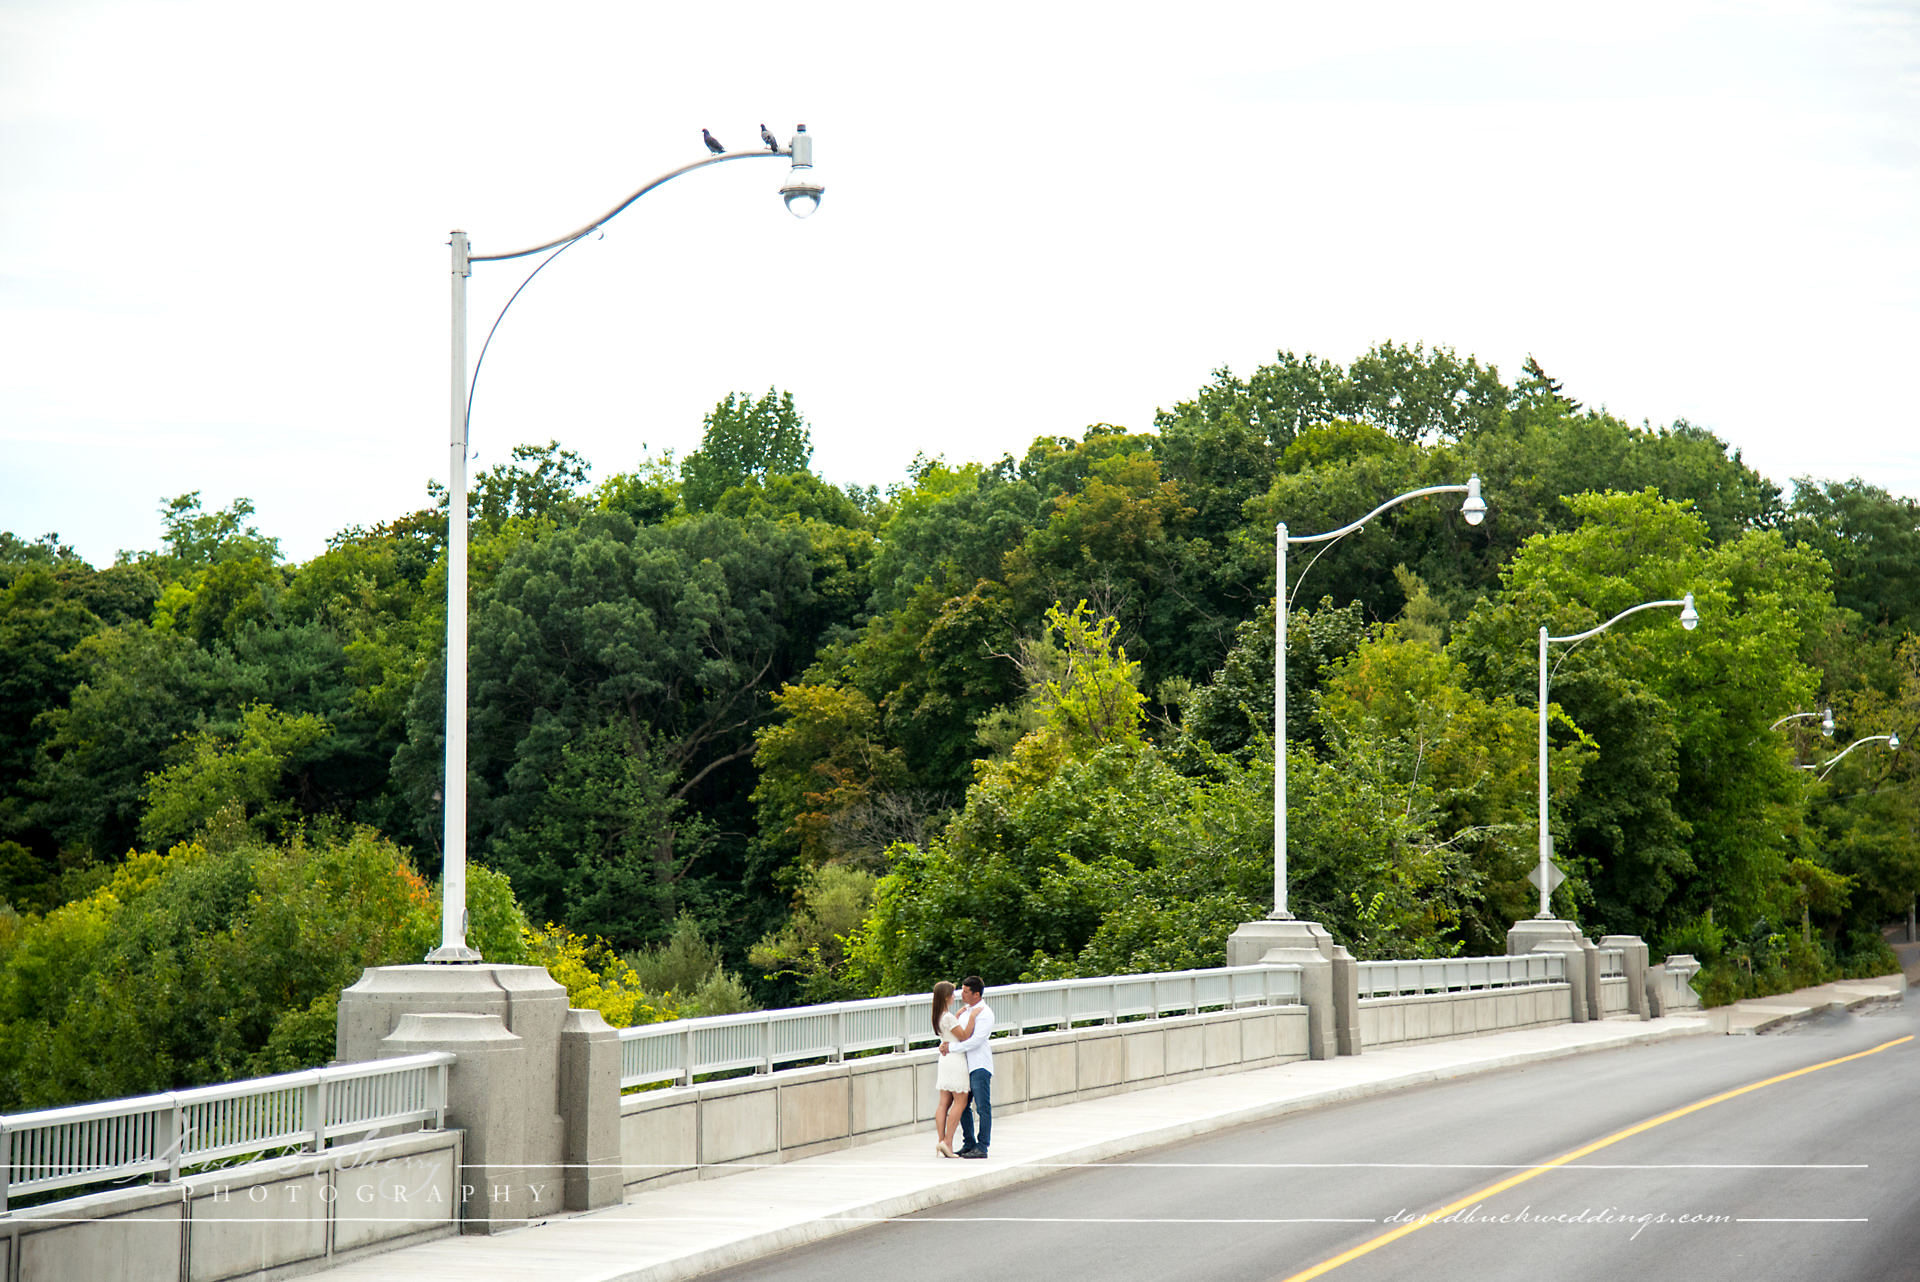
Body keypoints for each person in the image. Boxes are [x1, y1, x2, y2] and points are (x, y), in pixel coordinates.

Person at [941, 975, 995, 1158]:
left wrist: (952, 1048)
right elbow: (958, 1034)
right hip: (964, 1065)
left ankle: (982, 1146)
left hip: (979, 1065)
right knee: (962, 1105)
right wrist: (946, 1044)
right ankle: (969, 1142)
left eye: (965, 991)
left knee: (982, 1106)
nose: (961, 994)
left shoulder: (985, 1013)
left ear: (976, 994)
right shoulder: (965, 1011)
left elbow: (976, 1041)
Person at [930, 980, 978, 1158]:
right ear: (945, 996)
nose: (954, 996)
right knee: (961, 1100)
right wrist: (972, 1018)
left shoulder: (938, 1016)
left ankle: (941, 1140)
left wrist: (957, 1015)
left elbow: (950, 1032)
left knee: (944, 1102)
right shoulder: (948, 1017)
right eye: (952, 993)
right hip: (956, 1059)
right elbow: (964, 1036)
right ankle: (948, 1141)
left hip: (944, 1060)